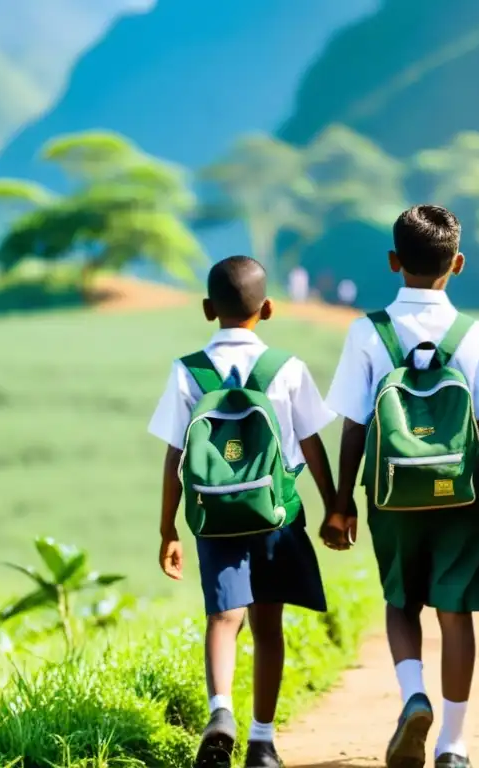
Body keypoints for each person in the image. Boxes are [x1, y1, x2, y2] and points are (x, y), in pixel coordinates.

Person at [321, 205, 479, 768]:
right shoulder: (475, 336)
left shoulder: (366, 331)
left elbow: (355, 423)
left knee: (401, 601)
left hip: (390, 492)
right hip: (464, 495)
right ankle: (453, 743)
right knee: (456, 613)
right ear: (458, 263)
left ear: (393, 261)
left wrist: (341, 502)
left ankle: (413, 697)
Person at [148, 255, 338, 768]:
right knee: (267, 624)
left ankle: (220, 710)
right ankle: (262, 740)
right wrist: (335, 505)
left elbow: (174, 455)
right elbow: (311, 441)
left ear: (208, 308)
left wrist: (168, 528)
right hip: (276, 512)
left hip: (214, 518)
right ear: (268, 308)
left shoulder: (187, 370)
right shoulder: (287, 368)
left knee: (223, 616)